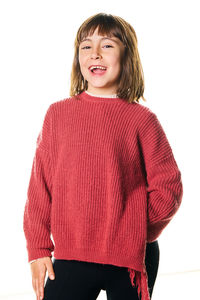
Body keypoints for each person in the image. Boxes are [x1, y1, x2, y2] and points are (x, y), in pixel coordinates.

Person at [23, 13, 183, 300]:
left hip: (132, 258)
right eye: (86, 46)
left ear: (127, 56)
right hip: (73, 254)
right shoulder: (57, 115)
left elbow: (169, 187)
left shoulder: (142, 120)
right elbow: (40, 188)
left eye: (107, 45)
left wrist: (134, 228)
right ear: (78, 57)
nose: (95, 53)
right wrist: (37, 248)